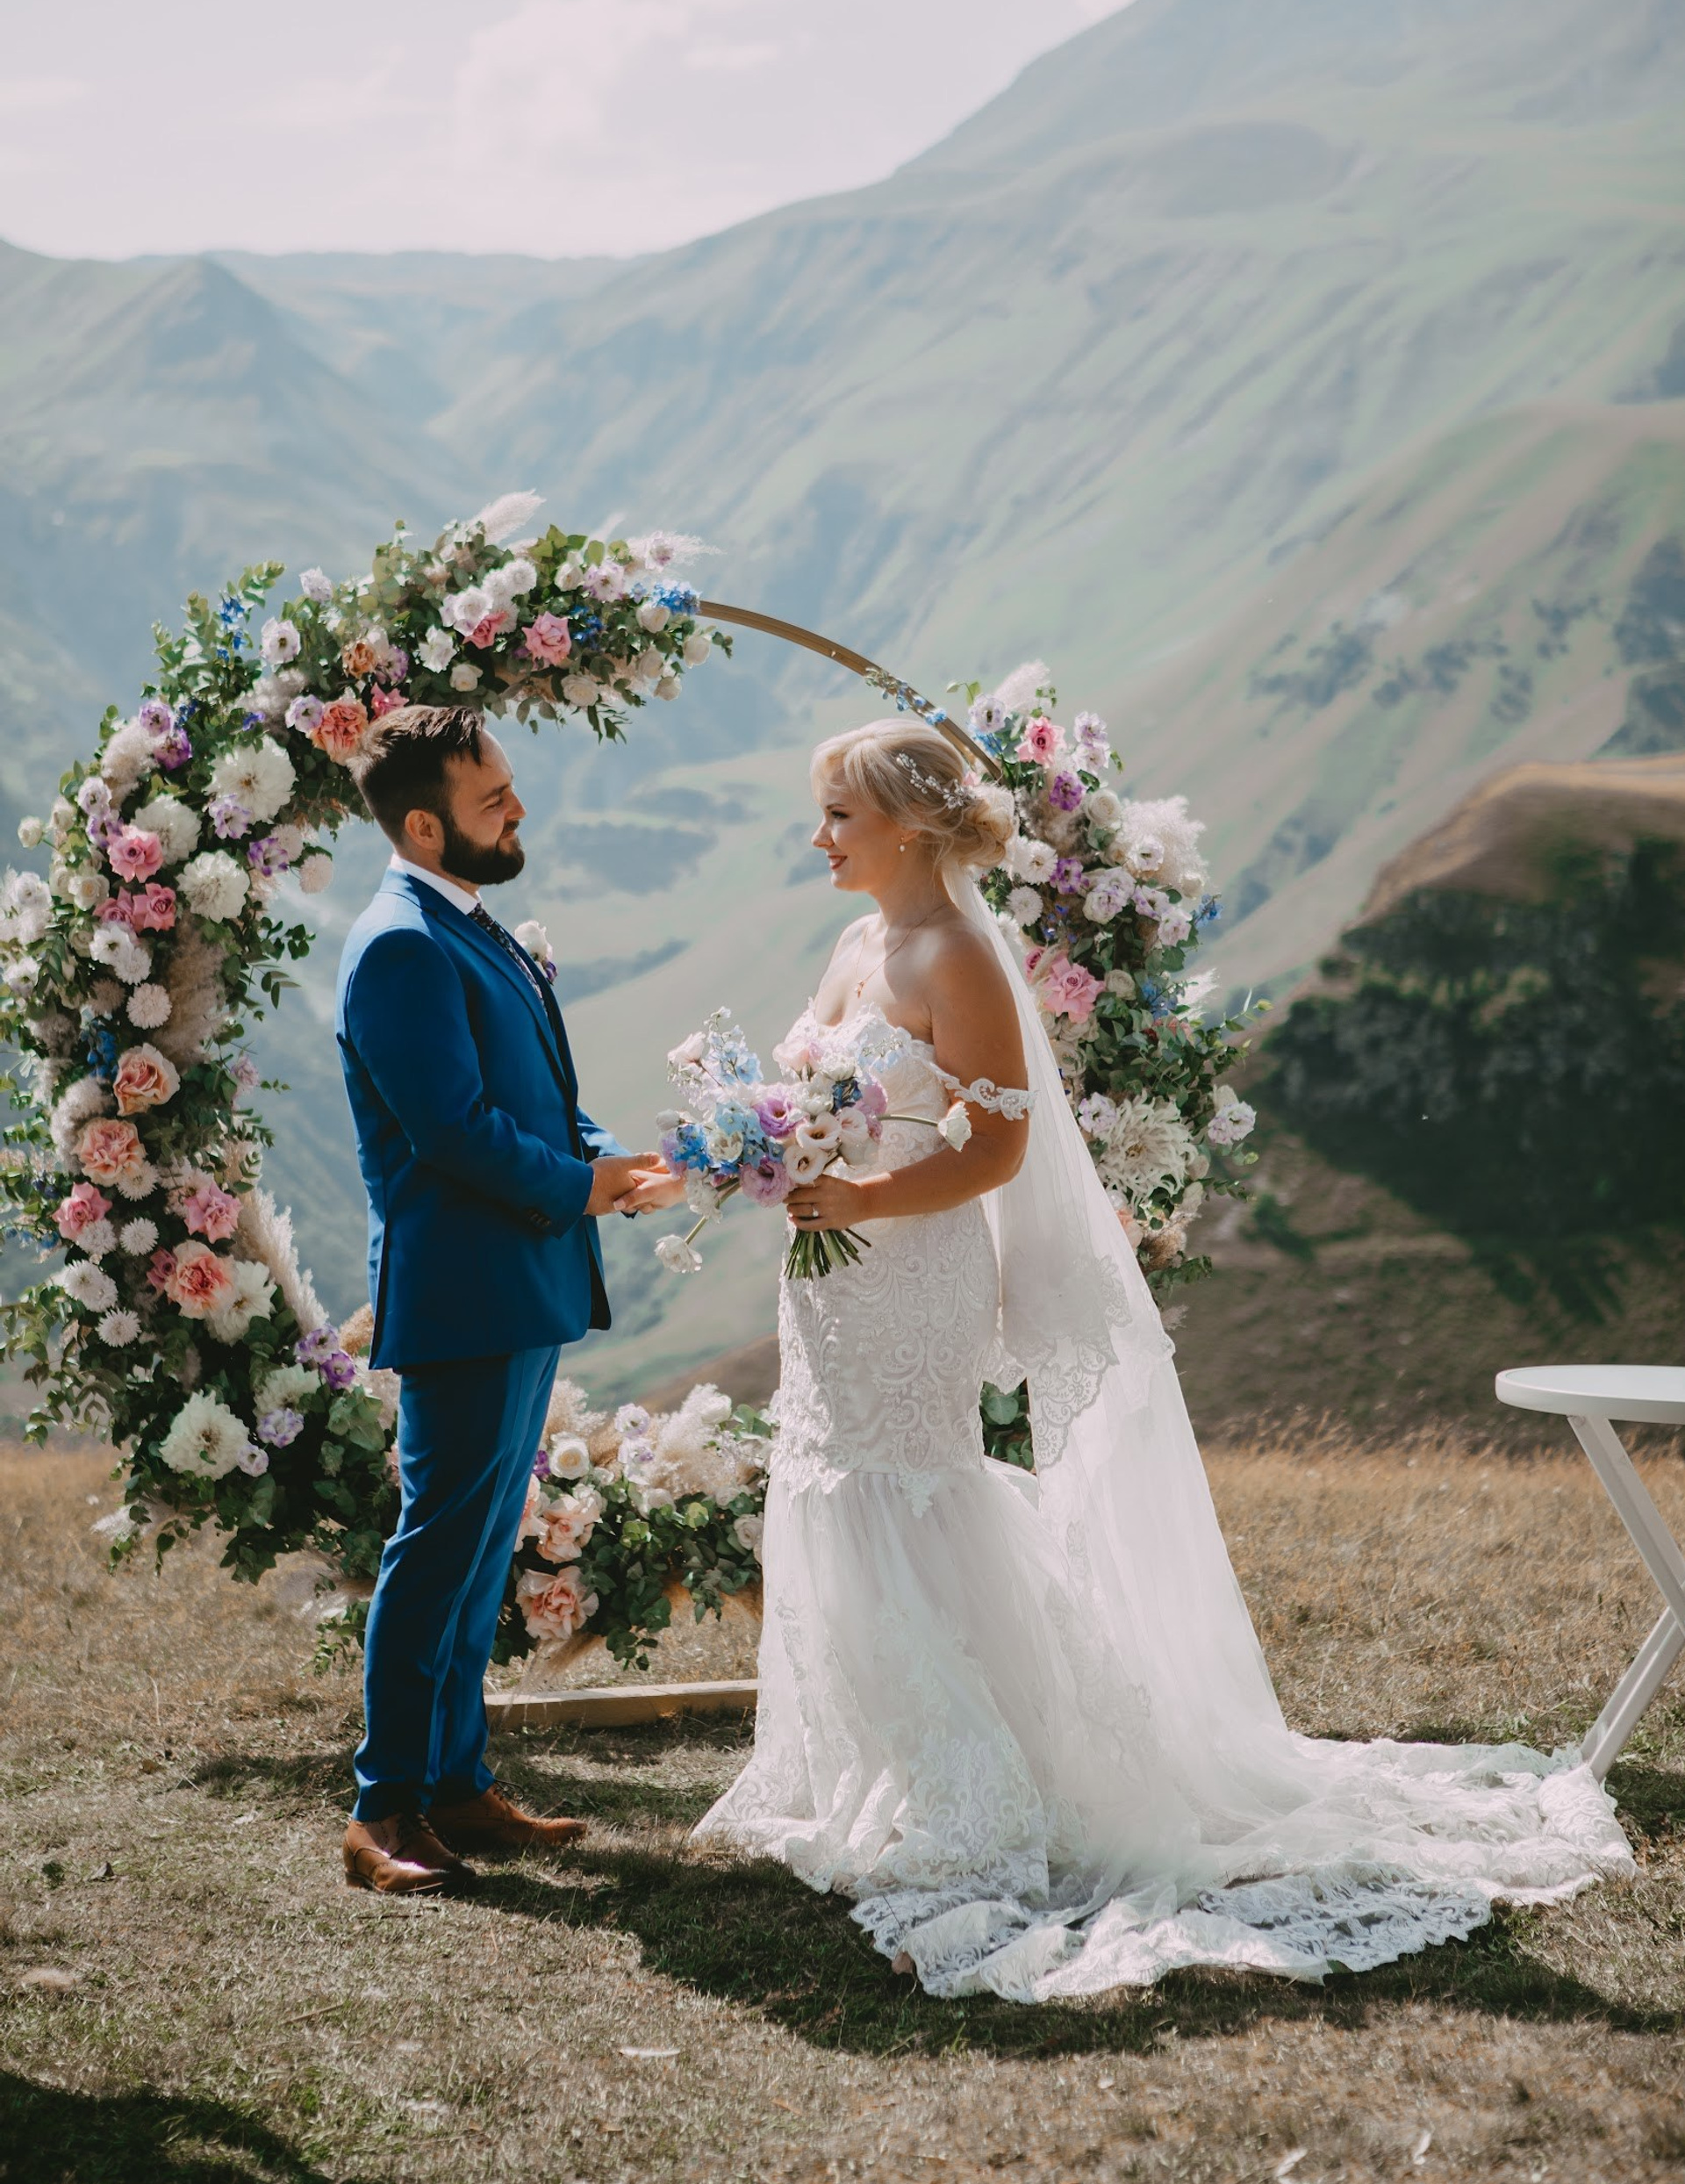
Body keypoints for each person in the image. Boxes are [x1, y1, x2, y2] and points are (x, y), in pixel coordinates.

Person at [697, 715, 1631, 2000]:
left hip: (911, 1274)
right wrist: (774, 1147)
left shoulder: (961, 954)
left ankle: (978, 1791)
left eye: (839, 818)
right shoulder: (858, 941)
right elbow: (814, 1099)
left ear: (908, 826)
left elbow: (997, 1151)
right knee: (826, 1485)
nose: (820, 840)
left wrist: (859, 1201)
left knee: (909, 1491)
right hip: (833, 1287)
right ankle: (869, 1772)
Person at [335, 705, 676, 1895]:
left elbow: (541, 1097)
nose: (518, 809)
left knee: (481, 1555)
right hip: (465, 1291)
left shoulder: (468, 926)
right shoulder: (399, 946)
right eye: (494, 799)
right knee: (436, 1550)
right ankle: (382, 1815)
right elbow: (456, 1137)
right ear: (424, 825)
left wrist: (611, 1157)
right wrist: (584, 1188)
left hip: (521, 1284)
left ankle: (458, 1787)